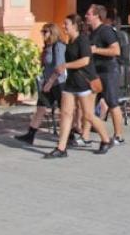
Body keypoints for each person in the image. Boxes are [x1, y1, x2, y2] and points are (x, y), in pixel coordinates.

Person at [44, 14, 112, 158]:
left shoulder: (83, 40)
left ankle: (106, 140)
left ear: (75, 25)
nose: (63, 26)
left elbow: (85, 61)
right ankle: (61, 149)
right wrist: (51, 80)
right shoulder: (70, 41)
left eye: (66, 24)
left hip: (84, 83)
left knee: (88, 115)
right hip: (71, 83)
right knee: (66, 114)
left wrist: (66, 65)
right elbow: (62, 67)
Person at [16, 23, 67, 145]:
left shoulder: (58, 46)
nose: (42, 34)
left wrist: (50, 82)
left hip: (58, 83)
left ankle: (69, 136)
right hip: (47, 83)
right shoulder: (47, 47)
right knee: (41, 108)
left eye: (45, 32)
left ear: (52, 33)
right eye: (42, 32)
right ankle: (30, 135)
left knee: (64, 111)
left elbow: (59, 67)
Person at [85, 4, 125, 146]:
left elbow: (116, 51)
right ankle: (85, 137)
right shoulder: (92, 32)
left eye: (88, 14)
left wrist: (96, 50)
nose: (86, 16)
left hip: (108, 72)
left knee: (112, 103)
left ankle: (119, 136)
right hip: (96, 73)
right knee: (88, 104)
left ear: (97, 16)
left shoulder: (106, 31)